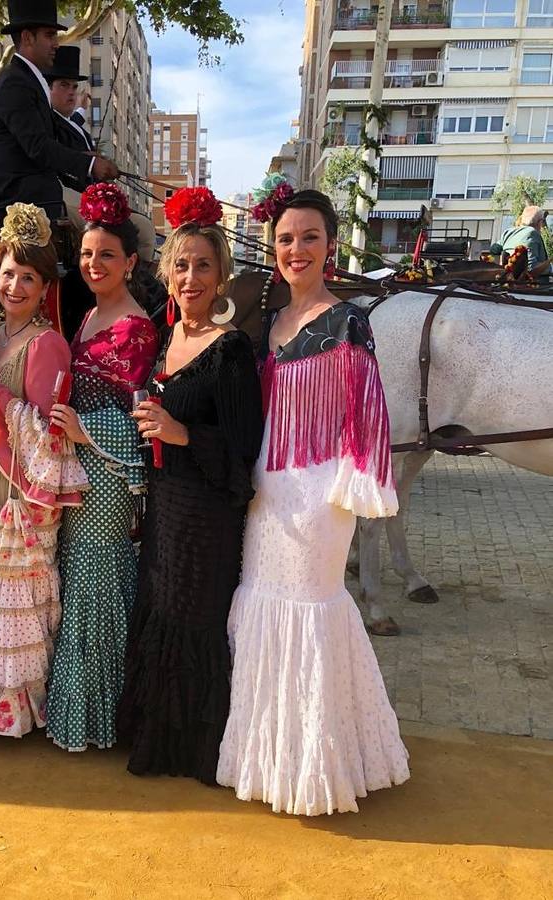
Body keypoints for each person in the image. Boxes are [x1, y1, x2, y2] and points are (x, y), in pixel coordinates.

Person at [216, 187, 410, 814]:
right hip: (266, 489)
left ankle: (317, 768)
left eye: (308, 237)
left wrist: (353, 488)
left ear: (329, 245)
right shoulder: (268, 320)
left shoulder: (347, 319)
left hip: (320, 493)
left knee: (309, 608)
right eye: (284, 239)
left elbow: (366, 413)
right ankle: (265, 759)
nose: (295, 249)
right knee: (260, 603)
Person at [117, 187, 263, 784]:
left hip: (207, 513)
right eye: (181, 265)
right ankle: (158, 741)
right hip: (166, 506)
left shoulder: (231, 351)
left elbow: (243, 452)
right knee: (161, 610)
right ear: (167, 273)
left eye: (203, 265)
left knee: (194, 619)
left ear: (222, 274)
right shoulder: (168, 338)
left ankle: (197, 753)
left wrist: (180, 433)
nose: (190, 276)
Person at [0, 204, 88, 738]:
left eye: (28, 276)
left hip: (21, 492)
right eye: (7, 272)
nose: (14, 284)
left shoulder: (45, 343)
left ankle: (19, 708)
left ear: (44, 285)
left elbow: (47, 434)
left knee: (20, 599)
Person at [45, 183, 159, 751]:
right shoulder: (90, 312)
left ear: (131, 262)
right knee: (78, 573)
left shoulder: (136, 327)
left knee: (97, 577)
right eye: (87, 254)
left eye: (106, 254)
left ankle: (101, 716)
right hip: (77, 456)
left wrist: (83, 430)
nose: (94, 263)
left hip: (108, 469)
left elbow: (134, 421)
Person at [0, 0, 118, 219]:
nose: (56, 44)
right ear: (27, 37)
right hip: (16, 203)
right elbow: (38, 147)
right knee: (124, 228)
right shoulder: (13, 84)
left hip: (39, 199)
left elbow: (42, 147)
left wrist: (86, 159)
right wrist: (90, 164)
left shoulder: (28, 81)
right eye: (49, 35)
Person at [46, 45, 156, 262]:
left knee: (144, 225)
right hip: (65, 194)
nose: (71, 91)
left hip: (85, 195)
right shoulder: (47, 121)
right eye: (64, 85)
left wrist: (81, 108)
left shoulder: (68, 122)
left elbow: (74, 124)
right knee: (142, 229)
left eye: (74, 86)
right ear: (48, 90)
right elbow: (58, 154)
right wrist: (91, 163)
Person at [499, 206, 550, 281]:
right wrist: (550, 268)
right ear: (539, 222)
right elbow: (531, 267)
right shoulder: (532, 233)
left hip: (507, 283)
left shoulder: (507, 232)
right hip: (533, 287)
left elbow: (494, 249)